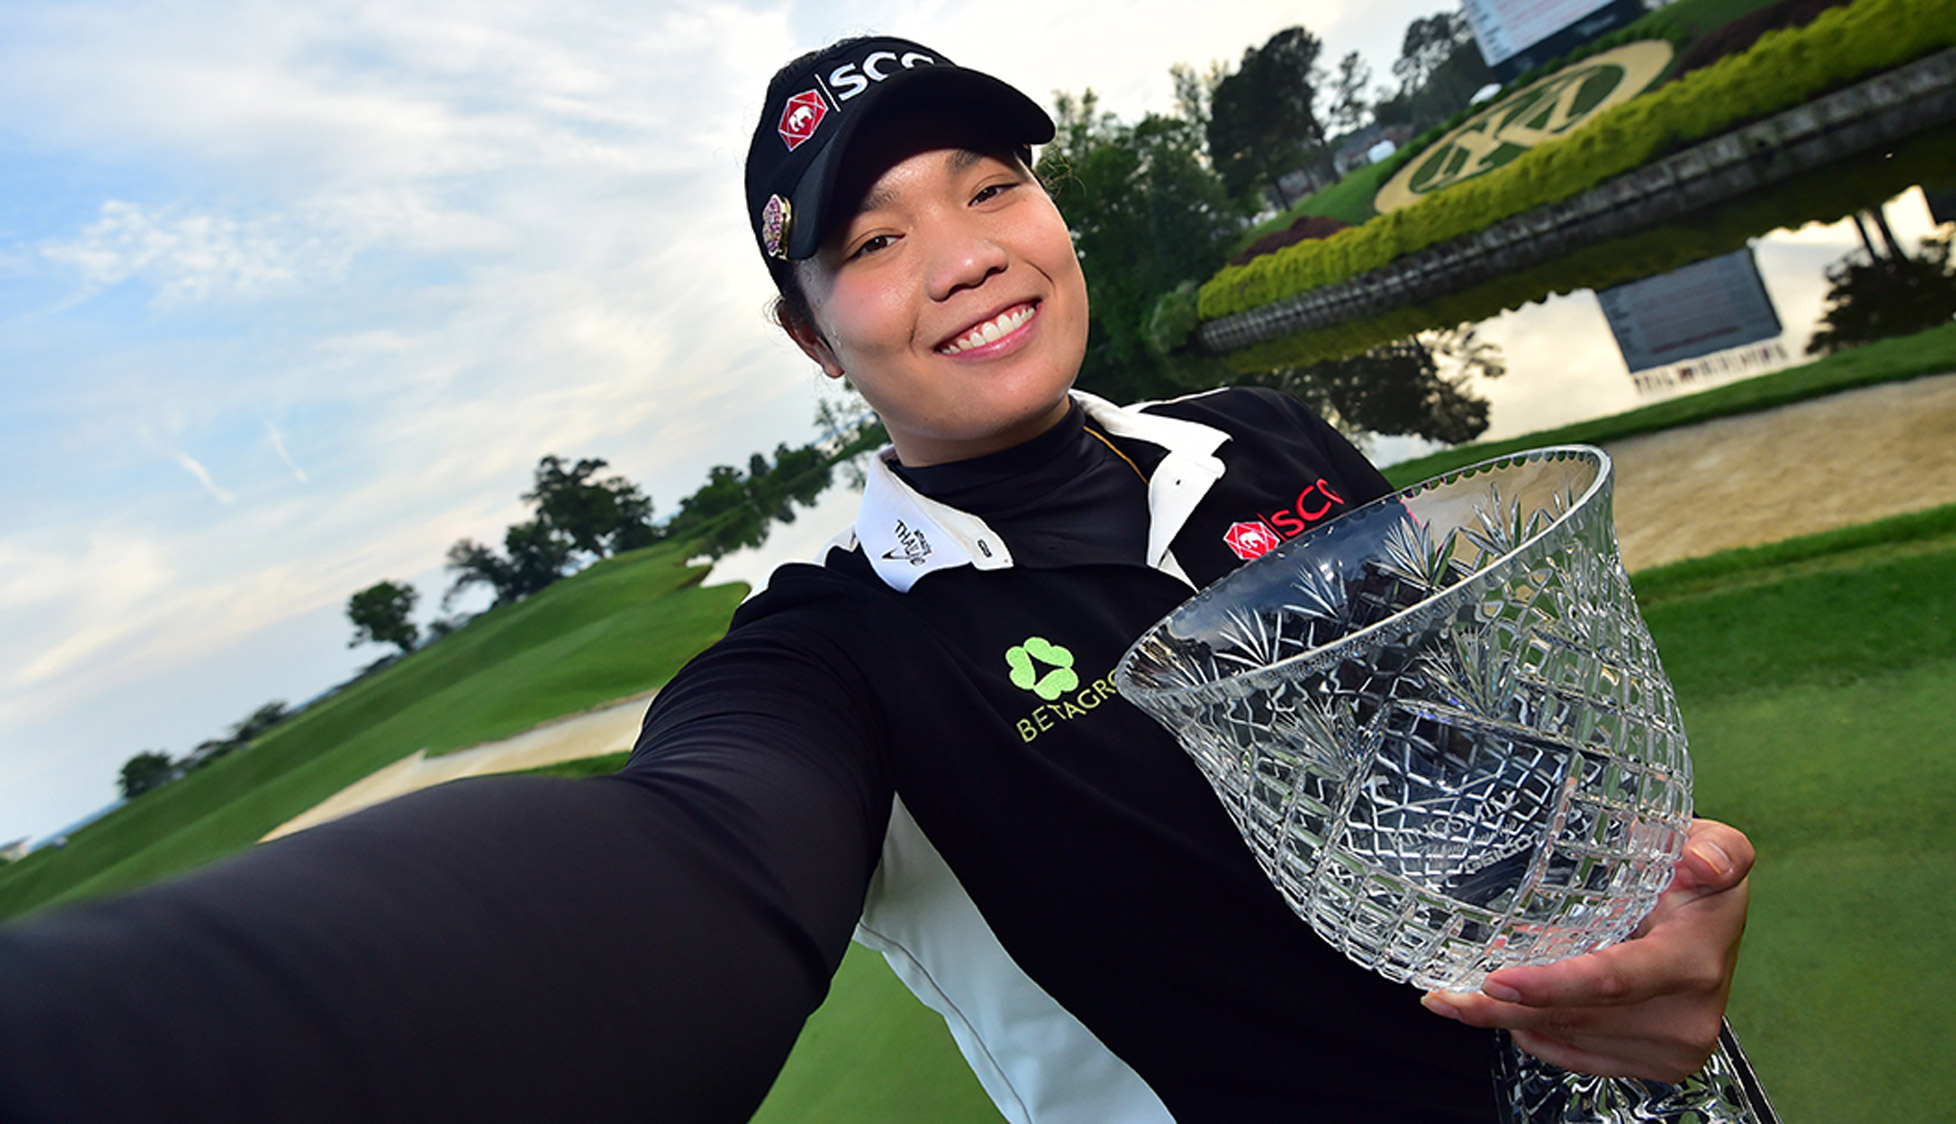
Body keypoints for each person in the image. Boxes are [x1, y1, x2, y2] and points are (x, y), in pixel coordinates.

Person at [0, 36, 1752, 1123]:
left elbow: (1455, 752)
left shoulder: (1265, 438)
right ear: (813, 334)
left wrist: (1641, 929)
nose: (967, 252)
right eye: (875, 238)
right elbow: (683, 858)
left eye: (991, 184)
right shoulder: (836, 649)